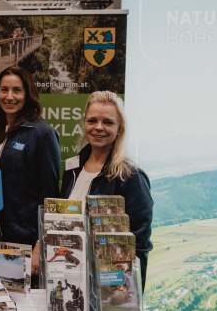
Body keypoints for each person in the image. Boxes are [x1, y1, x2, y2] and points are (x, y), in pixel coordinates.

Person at [60, 91, 153, 290]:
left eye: (108, 122)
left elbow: (139, 243)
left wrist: (120, 288)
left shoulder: (130, 176)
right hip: (70, 275)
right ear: (84, 124)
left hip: (107, 285)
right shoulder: (72, 169)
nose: (98, 127)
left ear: (119, 129)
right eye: (92, 120)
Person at [0, 66, 60, 246]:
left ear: (28, 94)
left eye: (17, 90)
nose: (9, 97)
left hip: (25, 236)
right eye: (4, 90)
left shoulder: (42, 133)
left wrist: (42, 243)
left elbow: (49, 195)